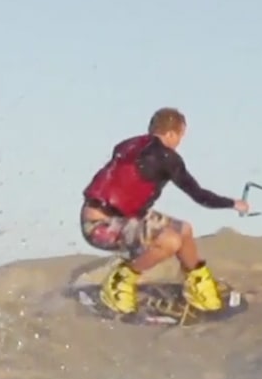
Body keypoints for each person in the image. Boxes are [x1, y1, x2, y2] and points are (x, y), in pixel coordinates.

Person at [79, 107, 250, 317]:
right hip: (101, 226)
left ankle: (198, 287)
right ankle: (119, 282)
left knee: (184, 230)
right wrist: (233, 203)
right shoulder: (167, 158)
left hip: (121, 218)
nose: (180, 142)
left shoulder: (128, 144)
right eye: (180, 136)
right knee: (170, 241)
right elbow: (199, 195)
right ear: (171, 134)